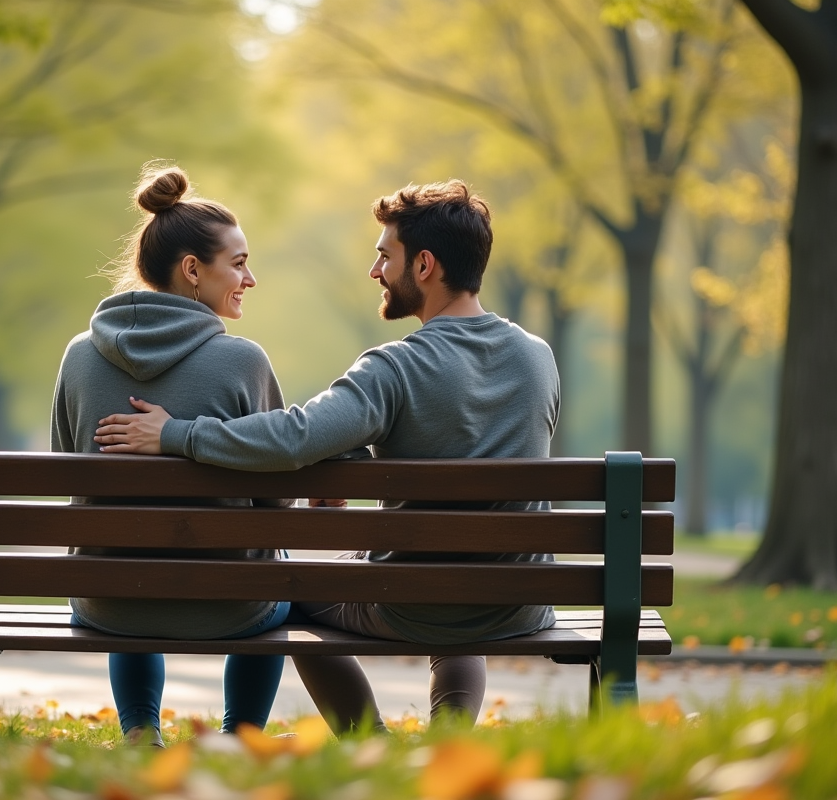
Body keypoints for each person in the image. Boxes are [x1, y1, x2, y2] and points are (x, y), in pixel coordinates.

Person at [93, 178, 561, 732]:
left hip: (411, 604)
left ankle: (368, 738)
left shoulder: (393, 369)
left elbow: (293, 437)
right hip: (520, 600)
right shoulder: (538, 358)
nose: (375, 271)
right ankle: (449, 739)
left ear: (426, 265)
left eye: (385, 256)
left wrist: (177, 434)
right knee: (460, 578)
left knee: (292, 588)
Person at [50, 163, 291, 747]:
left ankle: (139, 731)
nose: (249, 278)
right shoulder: (243, 362)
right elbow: (277, 493)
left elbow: (65, 463)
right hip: (230, 604)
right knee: (280, 571)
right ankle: (243, 733)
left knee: (131, 578)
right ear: (192, 271)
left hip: (107, 598)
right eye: (238, 263)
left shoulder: (80, 356)